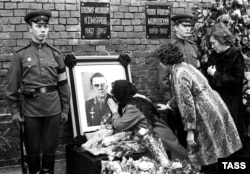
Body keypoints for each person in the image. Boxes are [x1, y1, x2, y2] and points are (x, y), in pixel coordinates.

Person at [154, 41, 242, 170]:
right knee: (218, 148)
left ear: (166, 61)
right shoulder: (185, 66)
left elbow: (187, 104)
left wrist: (190, 132)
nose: (160, 65)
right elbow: (184, 94)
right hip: (215, 104)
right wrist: (168, 105)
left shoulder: (178, 75)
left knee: (206, 153)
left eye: (161, 62)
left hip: (205, 110)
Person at [5, 10, 71, 174]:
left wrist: (65, 110)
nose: (42, 30)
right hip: (30, 110)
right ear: (30, 28)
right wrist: (15, 112)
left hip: (53, 109)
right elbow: (12, 87)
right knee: (32, 150)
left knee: (50, 149)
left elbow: (63, 85)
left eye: (45, 26)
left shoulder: (56, 55)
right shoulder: (20, 55)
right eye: (38, 26)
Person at [107, 80, 187, 161]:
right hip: (163, 133)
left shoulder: (133, 106)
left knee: (176, 164)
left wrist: (114, 111)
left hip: (158, 139)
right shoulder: (140, 97)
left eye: (116, 94)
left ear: (121, 94)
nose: (115, 97)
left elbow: (119, 125)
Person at [159, 14, 201, 149]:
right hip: (177, 100)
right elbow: (163, 79)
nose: (188, 29)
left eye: (190, 26)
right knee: (181, 136)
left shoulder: (193, 46)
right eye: (185, 26)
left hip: (194, 98)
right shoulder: (170, 47)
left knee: (196, 135)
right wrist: (170, 101)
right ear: (176, 27)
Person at [204, 22, 245, 142]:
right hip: (215, 101)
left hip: (230, 104)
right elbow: (206, 74)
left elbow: (236, 81)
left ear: (222, 40)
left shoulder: (235, 55)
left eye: (213, 43)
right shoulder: (214, 54)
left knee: (230, 137)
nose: (212, 46)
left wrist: (215, 74)